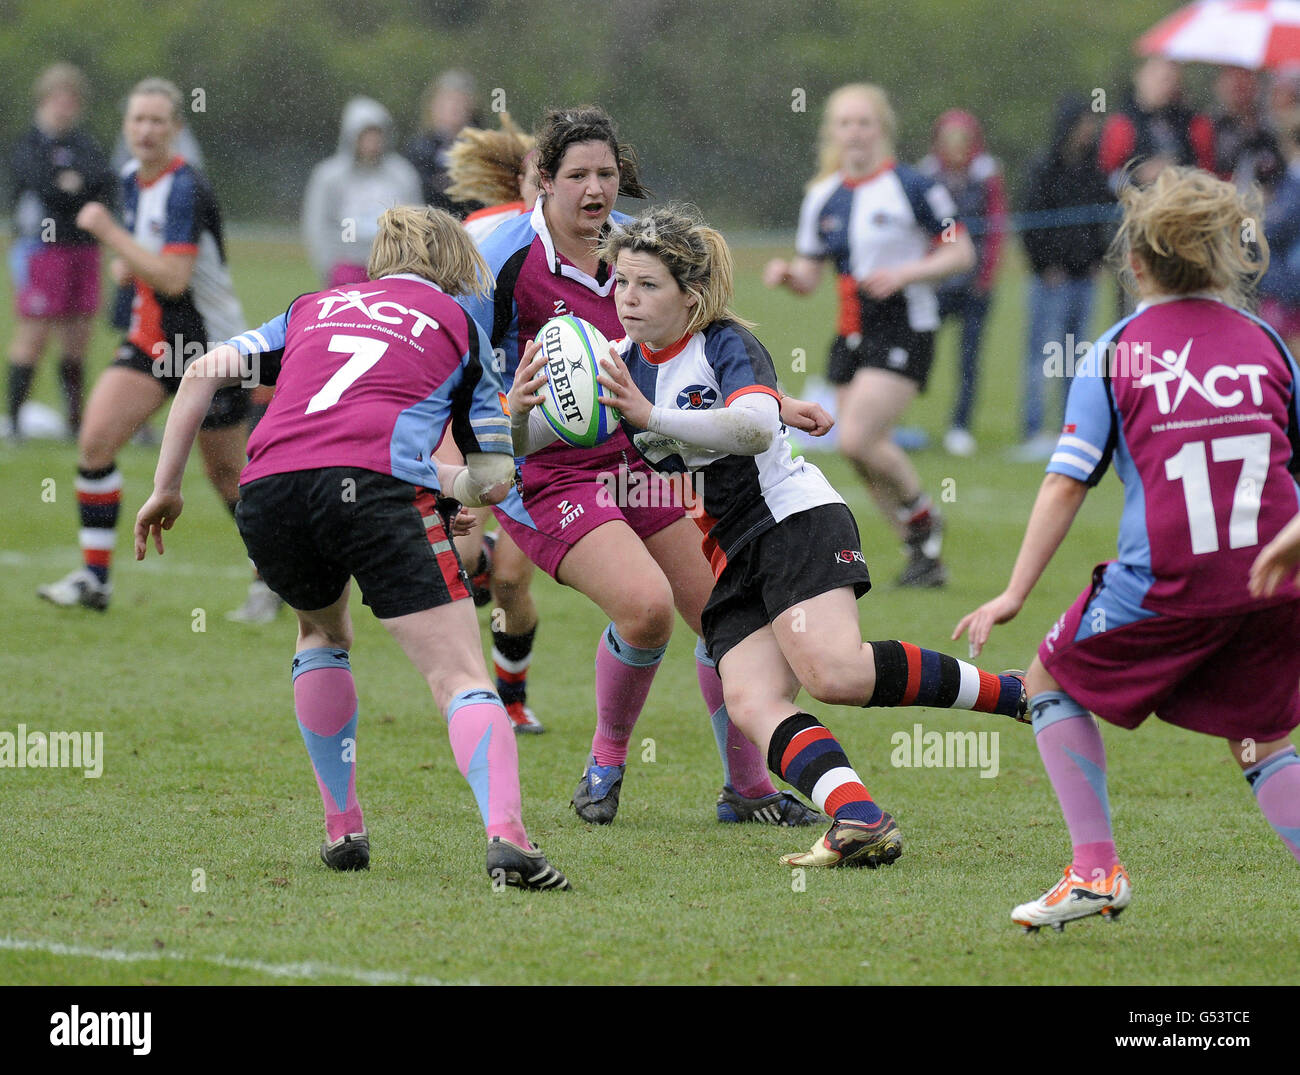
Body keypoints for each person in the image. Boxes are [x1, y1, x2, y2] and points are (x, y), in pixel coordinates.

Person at [512, 203, 1026, 867]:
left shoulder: (725, 341)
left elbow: (751, 427)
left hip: (793, 521)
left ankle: (1015, 694)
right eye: (622, 283)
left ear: (689, 296)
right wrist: (520, 412)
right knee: (752, 699)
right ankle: (859, 817)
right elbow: (532, 442)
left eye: (646, 286)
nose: (627, 299)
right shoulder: (615, 360)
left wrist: (653, 415)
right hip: (731, 551)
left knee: (834, 671)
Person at [132, 205, 569, 890]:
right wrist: (515, 425)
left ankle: (343, 825)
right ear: (459, 264)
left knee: (320, 630)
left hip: (269, 487)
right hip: (369, 487)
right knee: (458, 674)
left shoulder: (315, 306)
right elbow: (492, 484)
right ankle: (508, 839)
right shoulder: (461, 326)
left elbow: (205, 370)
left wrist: (166, 487)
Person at [954, 167, 1300, 931]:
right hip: (1279, 579)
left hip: (1169, 582)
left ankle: (1094, 869)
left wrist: (1013, 592)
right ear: (1224, 259)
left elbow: (1065, 484)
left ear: (1135, 265)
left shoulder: (1119, 350)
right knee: (1262, 739)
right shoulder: (1268, 342)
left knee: (1049, 676)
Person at [461, 105, 828, 824]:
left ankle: (747, 789)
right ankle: (606, 762)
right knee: (647, 608)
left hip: (640, 456)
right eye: (578, 175)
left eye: (607, 173)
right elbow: (452, 364)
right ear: (542, 179)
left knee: (733, 620)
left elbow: (692, 345)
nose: (596, 188)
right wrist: (486, 440)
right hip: (545, 473)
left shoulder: (634, 252)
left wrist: (768, 402)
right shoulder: (498, 254)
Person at [37, 78, 250, 613]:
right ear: (126, 128)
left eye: (158, 120)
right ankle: (95, 579)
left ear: (176, 129)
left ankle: (278, 576)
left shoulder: (186, 188)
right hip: (154, 338)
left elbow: (177, 279)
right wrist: (127, 260)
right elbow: (148, 262)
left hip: (209, 347)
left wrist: (109, 234)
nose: (147, 130)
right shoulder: (131, 179)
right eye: (138, 120)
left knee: (228, 475)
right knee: (95, 443)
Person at [764, 83, 976, 588]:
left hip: (906, 325)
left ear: (881, 128)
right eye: (845, 123)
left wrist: (904, 274)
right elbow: (809, 275)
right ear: (832, 133)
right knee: (855, 451)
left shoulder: (915, 186)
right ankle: (921, 554)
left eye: (864, 122)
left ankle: (924, 518)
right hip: (851, 330)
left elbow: (960, 252)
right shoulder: (823, 195)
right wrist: (788, 277)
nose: (855, 132)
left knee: (858, 435)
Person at [7, 63, 115, 441]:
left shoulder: (85, 144)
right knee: (34, 333)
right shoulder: (29, 144)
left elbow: (103, 182)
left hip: (83, 248)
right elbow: (45, 189)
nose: (65, 106)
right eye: (58, 98)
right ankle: (15, 421)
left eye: (72, 99)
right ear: (45, 100)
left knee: (78, 335)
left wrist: (75, 185)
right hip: (43, 249)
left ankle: (74, 420)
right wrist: (72, 187)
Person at [1012, 95, 1114, 461]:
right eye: (1084, 123)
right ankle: (1033, 429)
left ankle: (1070, 428)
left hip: (1083, 277)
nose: (1090, 130)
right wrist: (1044, 265)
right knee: (1040, 353)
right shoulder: (1043, 168)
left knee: (1073, 355)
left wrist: (1097, 259)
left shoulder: (1093, 170)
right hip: (1049, 280)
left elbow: (1101, 215)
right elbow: (1030, 221)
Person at [916, 109, 1006, 457]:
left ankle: (960, 426)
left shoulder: (985, 176)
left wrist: (985, 276)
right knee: (918, 350)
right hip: (937, 285)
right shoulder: (927, 176)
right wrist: (928, 272)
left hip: (973, 285)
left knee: (969, 359)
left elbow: (996, 228)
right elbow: (923, 229)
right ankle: (898, 421)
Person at [301, 96, 422, 288]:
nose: (372, 142)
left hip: (392, 267)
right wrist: (328, 266)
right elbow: (318, 224)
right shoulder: (330, 177)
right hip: (347, 266)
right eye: (366, 135)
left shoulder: (402, 175)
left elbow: (417, 221)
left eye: (377, 134)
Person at [405, 70, 483, 215]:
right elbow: (416, 191)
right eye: (448, 100)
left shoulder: (485, 146)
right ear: (433, 106)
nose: (454, 107)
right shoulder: (419, 149)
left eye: (460, 101)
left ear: (471, 106)